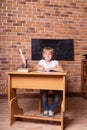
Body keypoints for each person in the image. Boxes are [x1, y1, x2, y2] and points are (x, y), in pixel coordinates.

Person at [36, 46, 63, 117]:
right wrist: (42, 68)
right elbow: (36, 67)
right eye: (46, 54)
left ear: (52, 55)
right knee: (44, 94)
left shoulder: (54, 62)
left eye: (50, 54)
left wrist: (51, 68)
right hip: (44, 82)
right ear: (43, 55)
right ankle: (46, 109)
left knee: (58, 95)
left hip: (55, 82)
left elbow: (61, 69)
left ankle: (51, 109)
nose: (48, 55)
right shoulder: (41, 62)